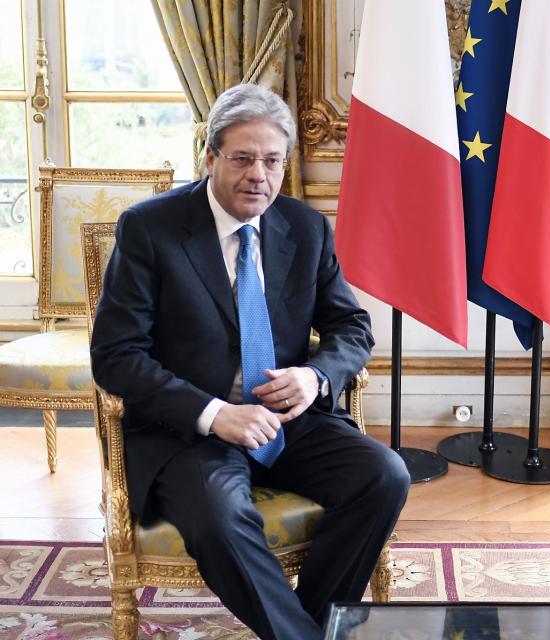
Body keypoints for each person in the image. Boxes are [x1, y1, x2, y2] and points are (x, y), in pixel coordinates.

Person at [90, 83, 410, 638]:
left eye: (271, 160)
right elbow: (115, 356)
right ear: (210, 156)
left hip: (288, 419)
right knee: (220, 516)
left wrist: (315, 377)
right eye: (241, 158)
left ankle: (304, 625)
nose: (258, 175)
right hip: (191, 431)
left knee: (384, 475)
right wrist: (215, 414)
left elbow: (351, 327)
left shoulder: (305, 228)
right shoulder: (150, 228)